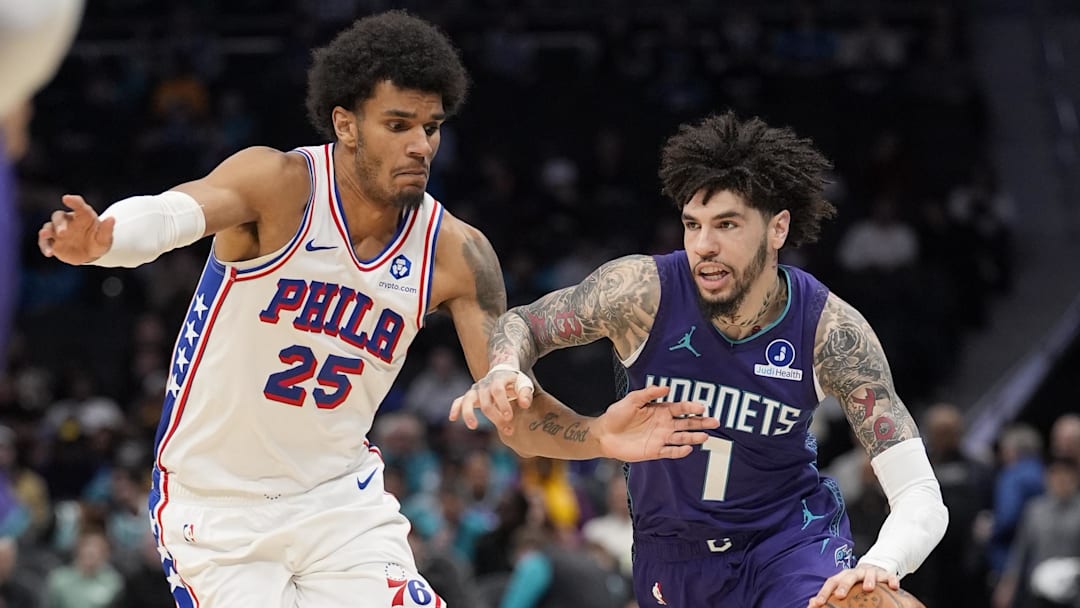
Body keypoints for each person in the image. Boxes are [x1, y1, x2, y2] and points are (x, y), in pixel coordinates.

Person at [37, 11, 716, 607]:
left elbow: (515, 411)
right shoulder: (279, 187)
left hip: (338, 506)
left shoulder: (457, 253)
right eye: (398, 124)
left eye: (431, 126)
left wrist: (598, 435)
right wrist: (104, 241)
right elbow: (174, 214)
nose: (420, 144)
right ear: (346, 124)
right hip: (218, 509)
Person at [452, 112, 949, 608]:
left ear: (777, 229)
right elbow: (524, 324)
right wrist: (504, 368)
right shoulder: (639, 293)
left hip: (788, 546)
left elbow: (921, 494)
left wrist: (881, 564)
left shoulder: (830, 331)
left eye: (727, 224)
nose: (704, 246)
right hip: (672, 559)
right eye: (693, 225)